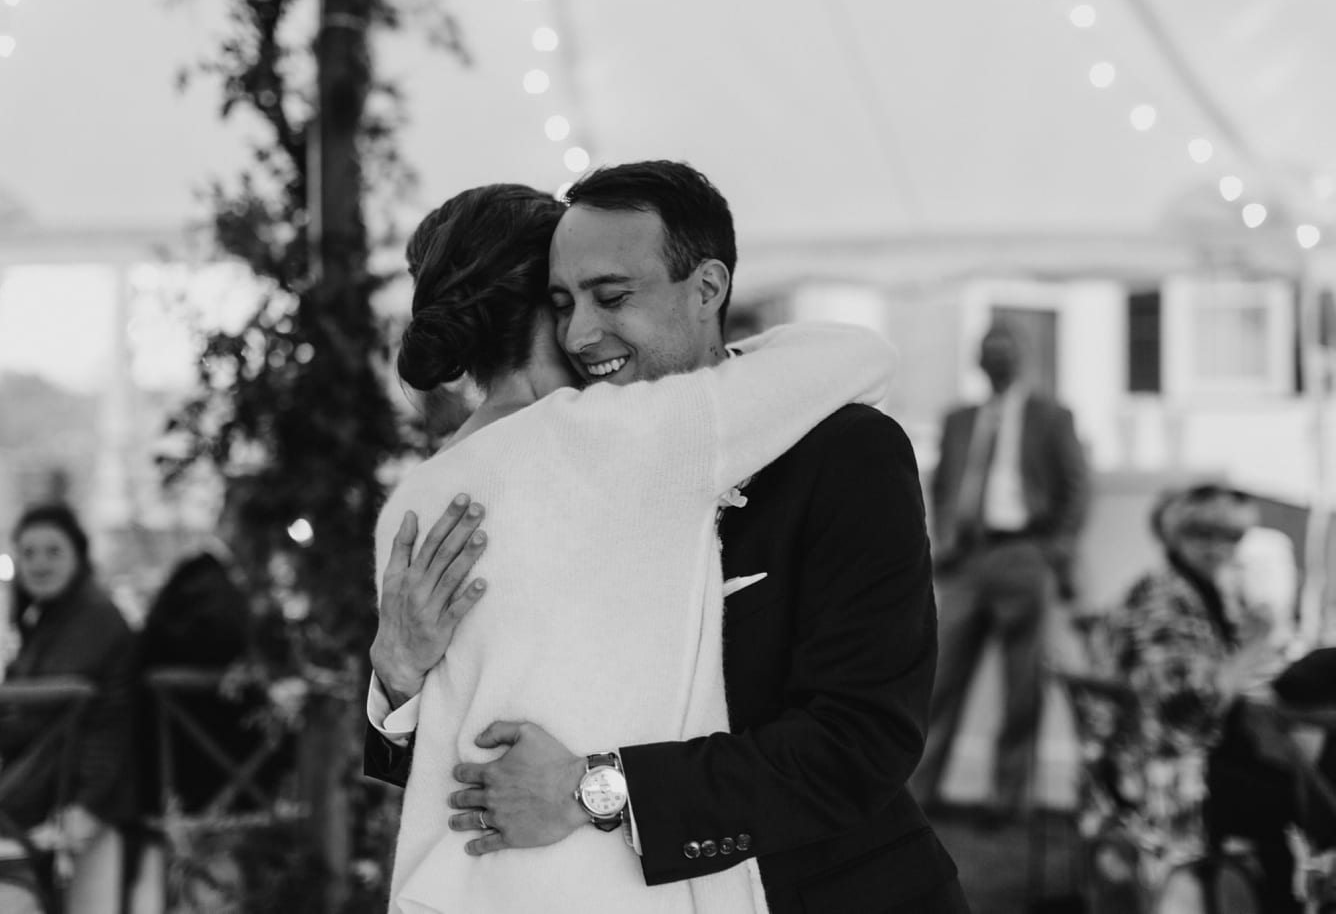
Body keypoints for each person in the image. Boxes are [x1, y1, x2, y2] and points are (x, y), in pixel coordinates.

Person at [366, 162, 968, 913]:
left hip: (824, 890)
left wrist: (597, 789)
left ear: (707, 289)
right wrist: (396, 674)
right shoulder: (552, 465)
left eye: (612, 297)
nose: (583, 334)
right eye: (561, 304)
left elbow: (860, 741)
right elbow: (481, 746)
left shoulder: (843, 450)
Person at [912, 320, 1089, 821]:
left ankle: (1007, 799)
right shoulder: (959, 418)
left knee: (1021, 686)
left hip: (1023, 554)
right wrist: (943, 541)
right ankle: (918, 792)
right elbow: (944, 484)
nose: (998, 359)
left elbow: (1076, 487)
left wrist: (1055, 550)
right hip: (966, 561)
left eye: (1006, 350)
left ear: (1023, 357)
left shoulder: (1051, 416)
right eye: (989, 351)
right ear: (978, 361)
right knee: (941, 681)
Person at [1097, 483, 1296, 910]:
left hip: (1173, 757)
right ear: (1175, 533)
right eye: (1202, 533)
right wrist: (1252, 649)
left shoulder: (1197, 589)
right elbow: (1185, 714)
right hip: (1166, 772)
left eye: (1232, 537)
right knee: (1294, 792)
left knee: (1293, 776)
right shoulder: (1164, 596)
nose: (1217, 547)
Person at [0, 503, 137, 914]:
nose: (39, 563)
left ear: (78, 555)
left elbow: (33, 715)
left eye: (53, 551)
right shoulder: (53, 618)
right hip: (58, 790)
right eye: (29, 552)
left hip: (79, 798)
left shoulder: (92, 618)